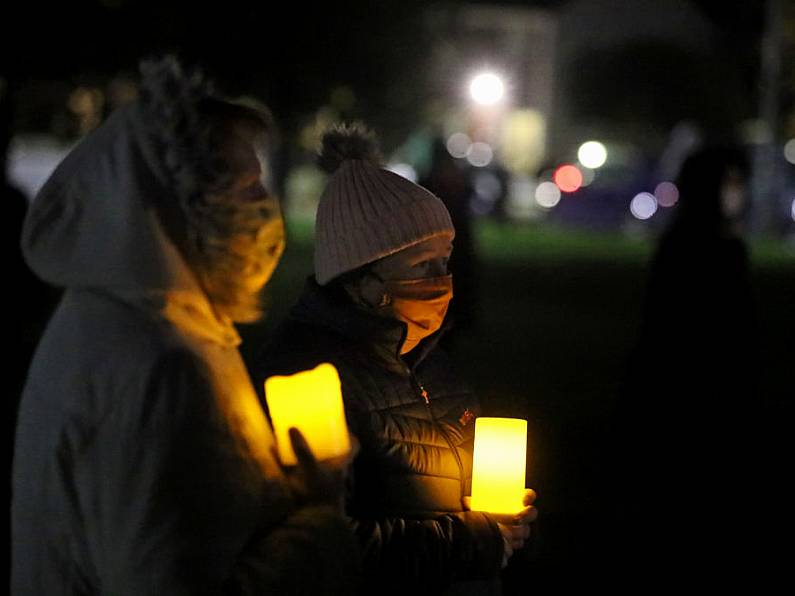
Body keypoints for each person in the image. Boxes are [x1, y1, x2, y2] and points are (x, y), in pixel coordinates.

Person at [11, 57, 360, 596]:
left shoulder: (113, 319)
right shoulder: (160, 366)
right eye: (246, 185)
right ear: (175, 206)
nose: (264, 209)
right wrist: (319, 525)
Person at [256, 123, 537, 595]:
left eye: (445, 261)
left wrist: (506, 526)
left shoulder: (428, 361)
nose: (442, 280)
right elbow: (318, 548)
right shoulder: (307, 377)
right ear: (361, 280)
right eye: (422, 265)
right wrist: (470, 542)